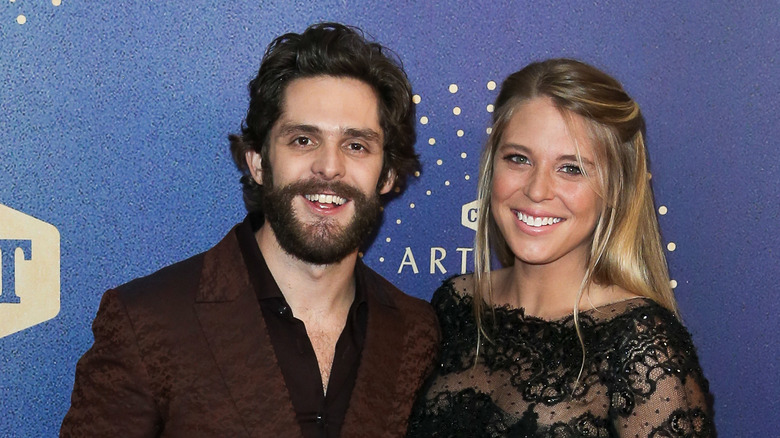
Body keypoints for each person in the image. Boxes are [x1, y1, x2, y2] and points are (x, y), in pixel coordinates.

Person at [61, 22, 439, 438]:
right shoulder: (146, 321)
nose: (329, 167)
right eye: (302, 140)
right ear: (258, 162)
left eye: (356, 146)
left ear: (387, 176)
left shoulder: (416, 333)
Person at [407, 59, 715, 437]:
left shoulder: (641, 346)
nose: (537, 190)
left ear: (616, 189)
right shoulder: (455, 304)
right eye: (518, 159)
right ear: (492, 168)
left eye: (571, 168)